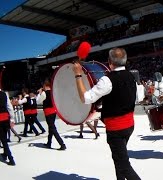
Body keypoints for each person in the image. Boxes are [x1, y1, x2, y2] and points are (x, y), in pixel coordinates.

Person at [73, 47, 140, 180]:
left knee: (124, 165)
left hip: (116, 129)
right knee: (118, 159)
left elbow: (85, 98)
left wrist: (78, 75)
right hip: (129, 126)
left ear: (109, 62)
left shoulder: (107, 80)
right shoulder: (131, 76)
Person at [37, 81, 66, 150]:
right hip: (53, 111)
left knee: (52, 128)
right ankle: (49, 142)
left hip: (48, 112)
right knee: (51, 127)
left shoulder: (44, 93)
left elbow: (38, 101)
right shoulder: (53, 92)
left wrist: (39, 93)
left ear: (45, 86)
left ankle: (62, 144)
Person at [0, 89, 16, 165]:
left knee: (3, 140)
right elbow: (9, 107)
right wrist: (12, 119)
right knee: (4, 138)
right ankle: (5, 154)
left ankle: (11, 158)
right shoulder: (4, 94)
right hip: (5, 118)